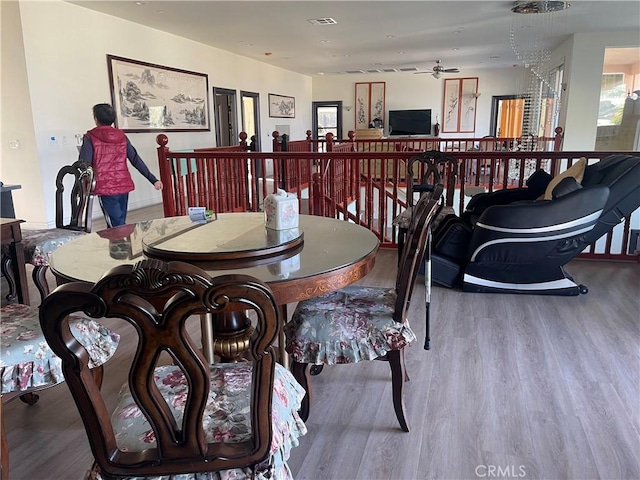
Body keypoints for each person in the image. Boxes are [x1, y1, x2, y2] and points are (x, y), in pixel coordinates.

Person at [78, 103, 163, 227]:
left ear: (96, 119)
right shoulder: (122, 136)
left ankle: (122, 245)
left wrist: (82, 188)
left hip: (105, 186)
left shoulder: (90, 137)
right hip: (123, 184)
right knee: (119, 221)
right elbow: (135, 159)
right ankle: (120, 244)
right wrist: (153, 179)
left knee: (116, 224)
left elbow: (83, 164)